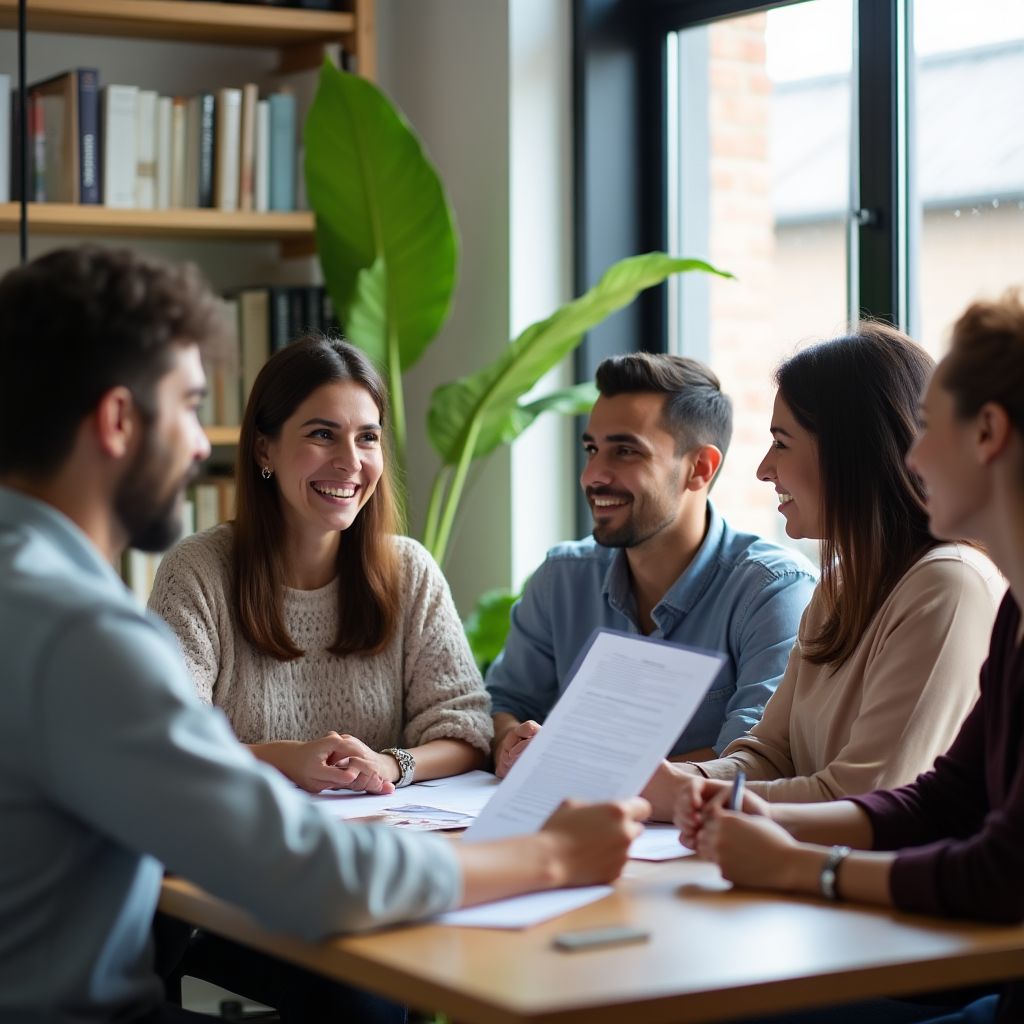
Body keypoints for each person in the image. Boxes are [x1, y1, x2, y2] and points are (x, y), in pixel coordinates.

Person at [0, 245, 649, 1024]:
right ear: (117, 421)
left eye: (367, 437)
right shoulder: (79, 635)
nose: (201, 444)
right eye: (188, 405)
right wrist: (555, 853)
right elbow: (311, 872)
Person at [674, 293, 1024, 1024]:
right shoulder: (999, 610)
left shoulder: (954, 584)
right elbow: (940, 798)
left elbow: (995, 869)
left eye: (930, 429)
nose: (913, 455)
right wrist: (709, 796)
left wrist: (800, 862)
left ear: (989, 432)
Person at [643, 323, 1002, 820]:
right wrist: (660, 779)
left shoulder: (948, 586)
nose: (764, 469)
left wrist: (688, 795)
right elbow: (770, 755)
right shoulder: (841, 583)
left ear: (850, 450)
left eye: (782, 443)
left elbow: (867, 799)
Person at [150, 335, 490, 795]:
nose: (350, 462)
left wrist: (390, 764)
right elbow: (168, 737)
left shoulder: (411, 570)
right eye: (322, 435)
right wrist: (284, 759)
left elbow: (467, 728)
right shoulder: (197, 572)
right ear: (264, 449)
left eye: (367, 438)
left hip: (384, 830)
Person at [487, 353, 818, 777]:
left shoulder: (773, 591)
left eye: (625, 451)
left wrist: (591, 772)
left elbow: (752, 760)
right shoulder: (562, 577)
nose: (592, 475)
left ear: (700, 468)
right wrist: (510, 742)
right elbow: (505, 704)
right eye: (592, 450)